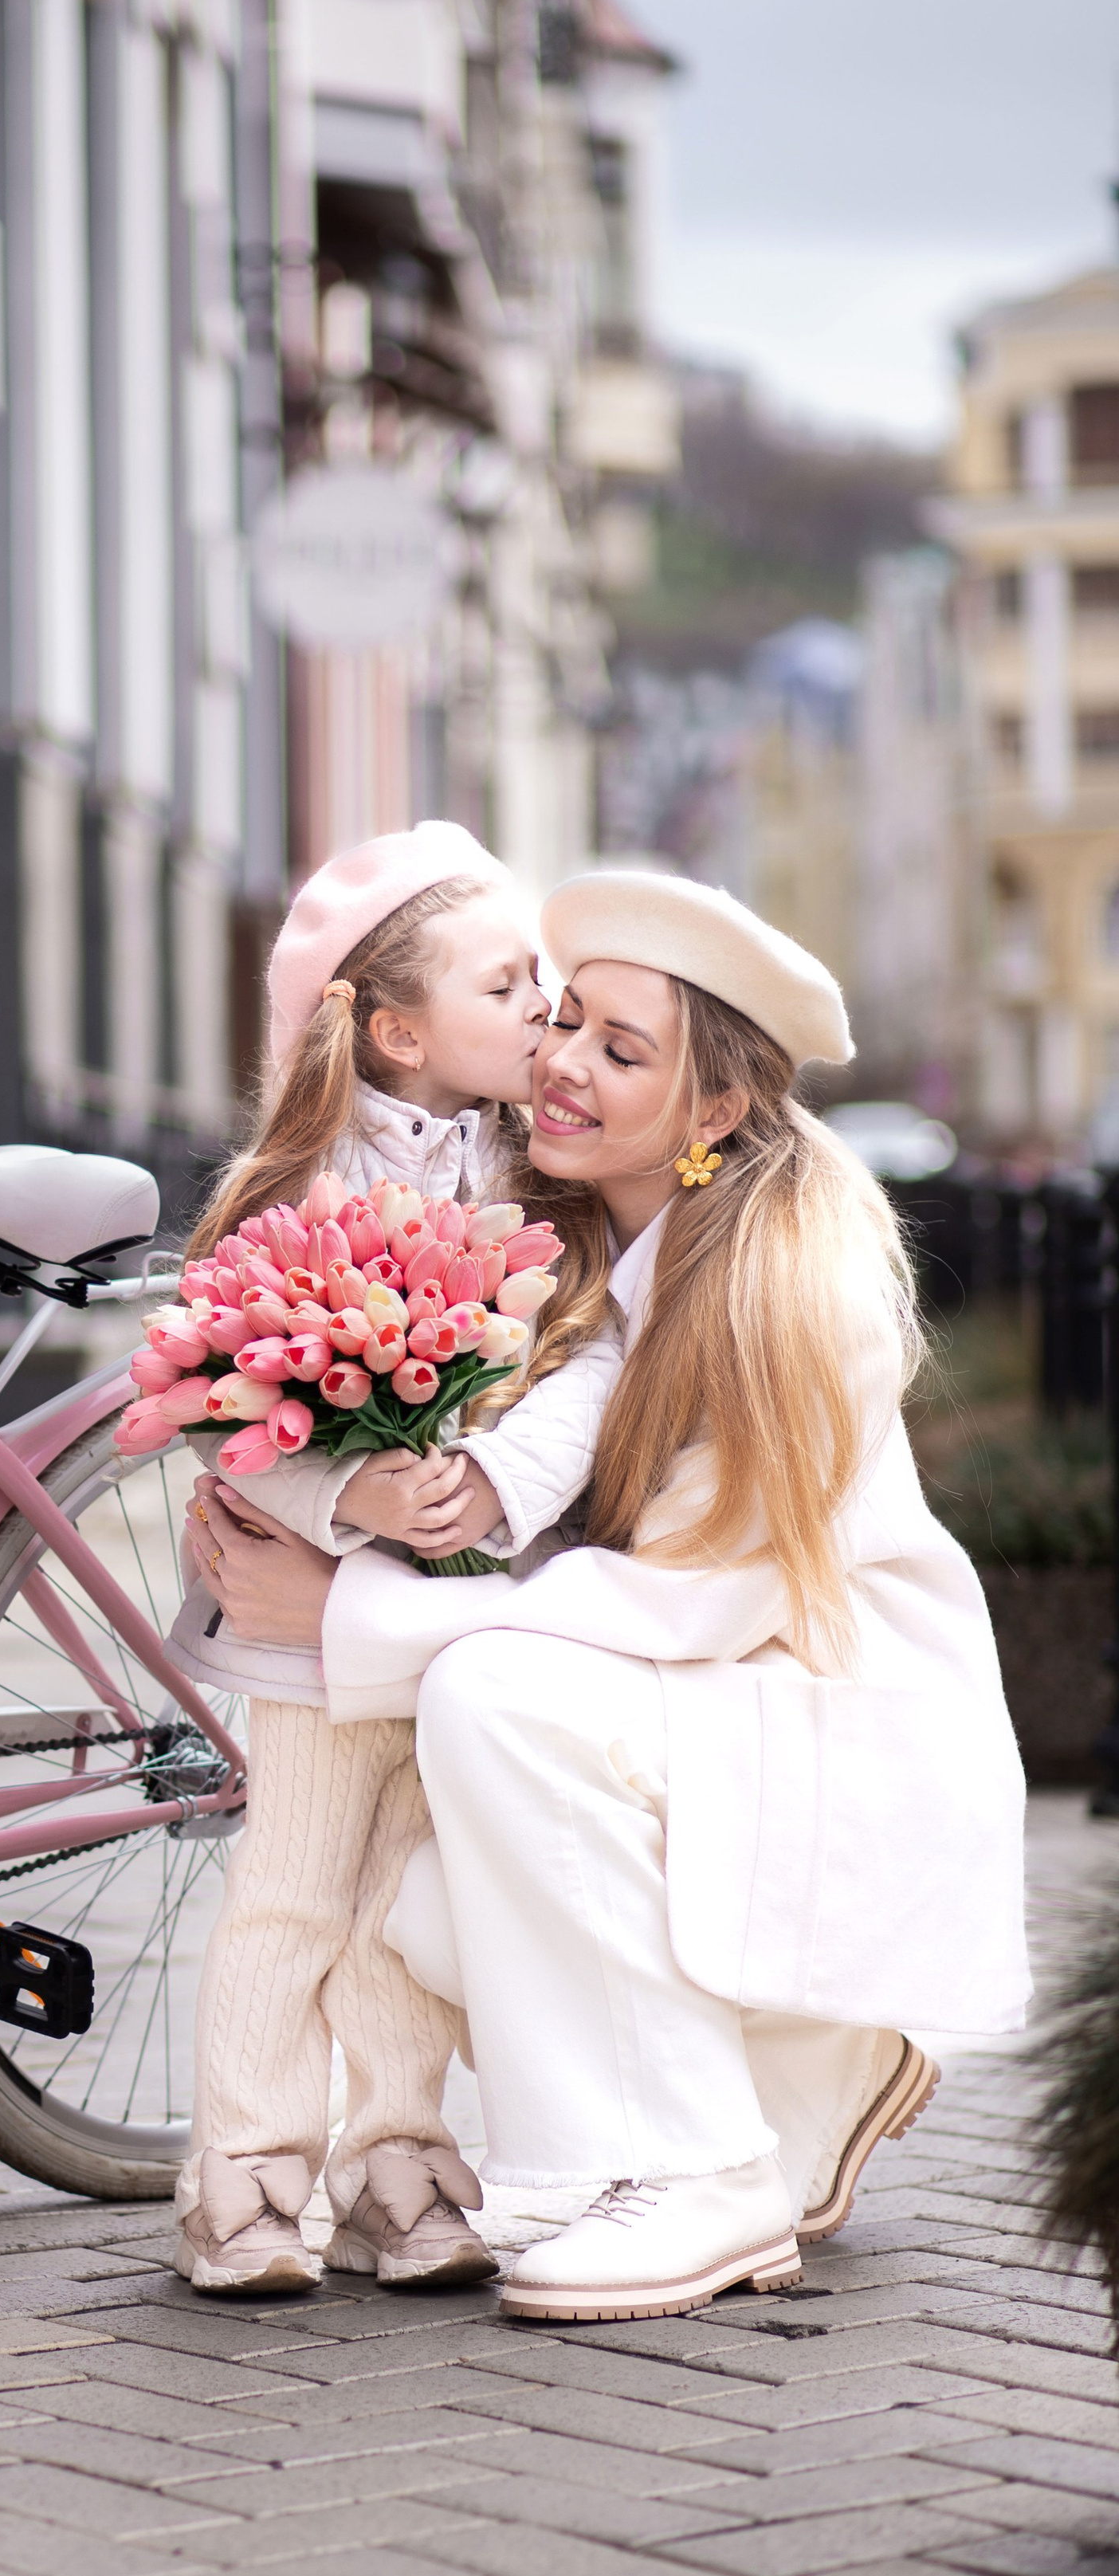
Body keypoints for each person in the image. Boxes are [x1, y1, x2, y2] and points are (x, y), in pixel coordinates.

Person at [190, 869, 1028, 2324]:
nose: (560, 1062)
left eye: (620, 1050)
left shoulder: (789, 1280)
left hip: (820, 1709)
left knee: (498, 1699)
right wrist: (330, 1510)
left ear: (713, 1113)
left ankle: (701, 2173)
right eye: (563, 1020)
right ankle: (793, 2081)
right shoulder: (562, 1237)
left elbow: (692, 1602)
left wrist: (339, 1616)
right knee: (425, 1899)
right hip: (706, 1711)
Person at [167, 820, 558, 2297]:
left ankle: (399, 2160)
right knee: (297, 1883)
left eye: (546, 984)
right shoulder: (304, 1188)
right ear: (398, 1029)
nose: (544, 1011)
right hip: (312, 1609)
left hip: (457, 1606)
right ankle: (247, 2175)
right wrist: (359, 1507)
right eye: (507, 985)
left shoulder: (532, 1172)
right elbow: (223, 1404)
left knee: (411, 1883)